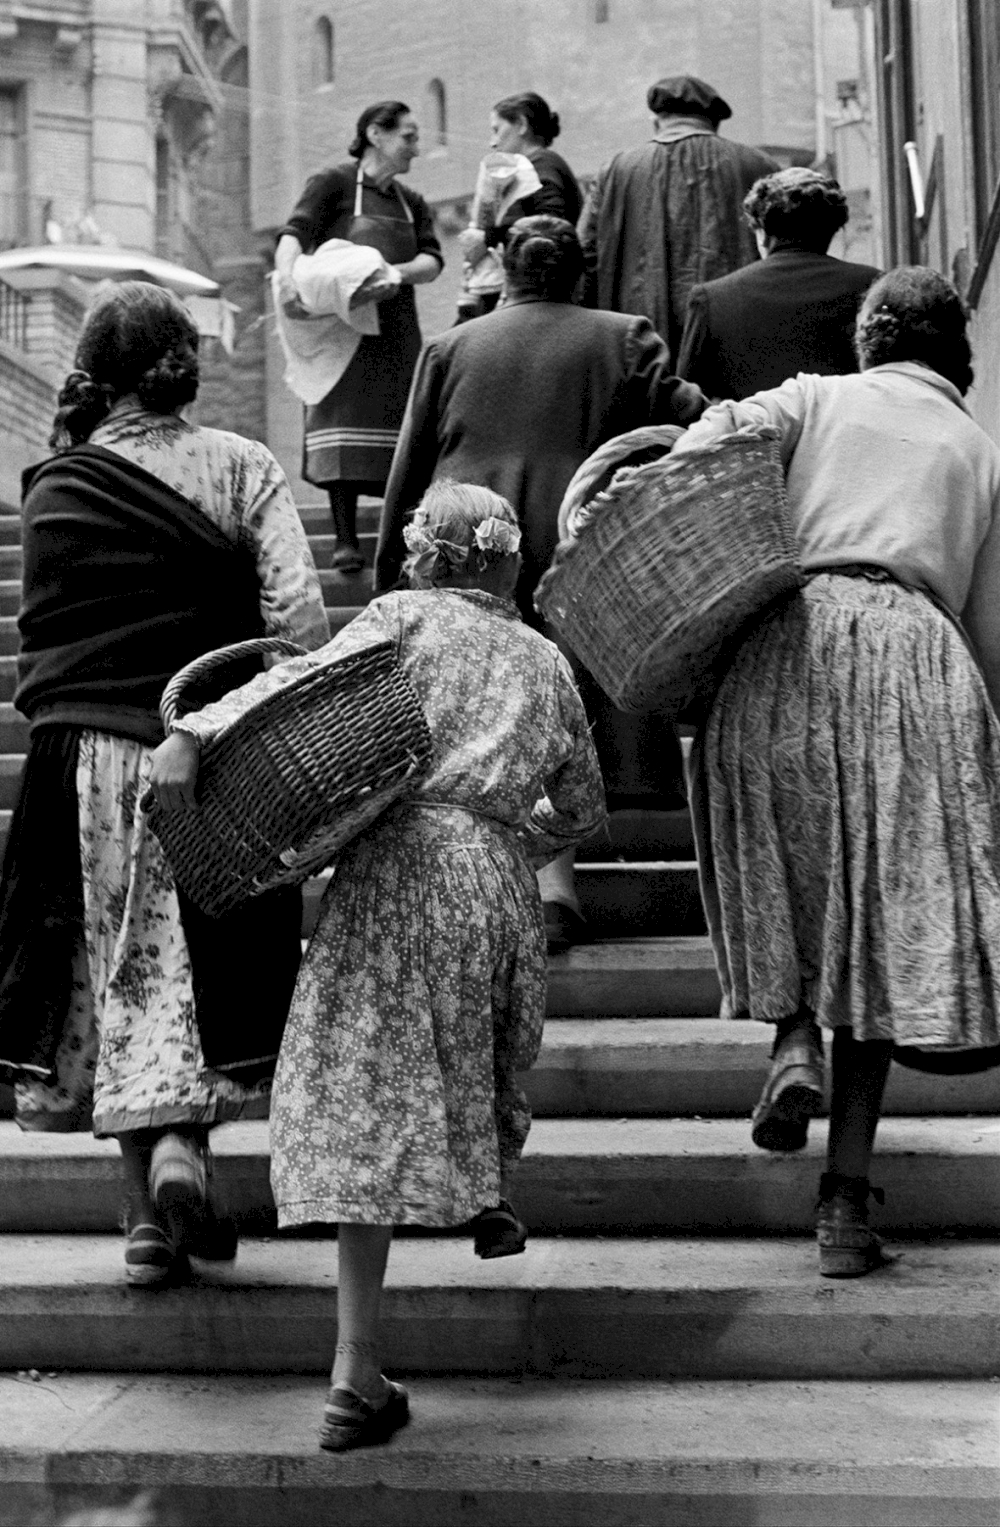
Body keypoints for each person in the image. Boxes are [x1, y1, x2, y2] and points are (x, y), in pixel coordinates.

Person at [148, 480, 606, 1451]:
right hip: (490, 879)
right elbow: (582, 808)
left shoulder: (398, 617)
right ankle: (481, 1189)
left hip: (394, 866)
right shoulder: (544, 657)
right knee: (464, 1046)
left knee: (364, 1078)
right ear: (505, 561)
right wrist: (511, 841)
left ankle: (356, 1367)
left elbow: (299, 683)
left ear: (423, 555)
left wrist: (194, 731)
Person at [671, 267, 1000, 1277]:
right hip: (917, 662)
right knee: (878, 937)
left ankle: (787, 1043)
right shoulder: (976, 447)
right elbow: (988, 628)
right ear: (953, 350)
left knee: (781, 872)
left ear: (870, 336)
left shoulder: (811, 397)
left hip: (788, 643)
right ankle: (844, 1209)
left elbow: (695, 457)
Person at [0, 281, 330, 1287]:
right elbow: (301, 622)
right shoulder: (241, 465)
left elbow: (42, 640)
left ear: (95, 374)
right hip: (206, 748)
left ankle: (145, 1211)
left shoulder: (54, 484)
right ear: (184, 364)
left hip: (76, 761)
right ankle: (187, 1146)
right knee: (200, 959)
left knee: (116, 964)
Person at [375, 216, 706, 946]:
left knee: (475, 715)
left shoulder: (450, 347)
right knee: (564, 710)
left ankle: (485, 892)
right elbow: (696, 419)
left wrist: (385, 578)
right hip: (574, 543)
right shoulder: (624, 335)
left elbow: (407, 471)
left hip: (467, 542)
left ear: (503, 267)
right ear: (578, 271)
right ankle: (554, 894)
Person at [274, 100, 444, 572]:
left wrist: (395, 273)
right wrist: (287, 279)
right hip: (341, 329)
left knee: (402, 428)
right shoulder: (333, 183)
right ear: (375, 133)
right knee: (339, 418)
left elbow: (433, 260)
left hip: (395, 327)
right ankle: (345, 539)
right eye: (408, 136)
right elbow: (294, 234)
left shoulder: (412, 203)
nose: (416, 146)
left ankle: (399, 539)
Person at [578, 74, 779, 365]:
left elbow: (584, 254)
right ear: (714, 121)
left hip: (644, 342)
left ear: (656, 120)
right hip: (740, 340)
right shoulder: (758, 165)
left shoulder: (617, 169)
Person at [677, 167, 881, 399]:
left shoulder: (711, 299)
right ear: (832, 230)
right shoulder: (875, 287)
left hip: (751, 433)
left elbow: (689, 401)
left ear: (762, 234)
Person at [458, 91, 582, 317]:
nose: (492, 142)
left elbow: (550, 229)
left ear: (522, 124)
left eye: (497, 129)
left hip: (542, 301)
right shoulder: (538, 165)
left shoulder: (540, 164)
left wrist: (487, 237)